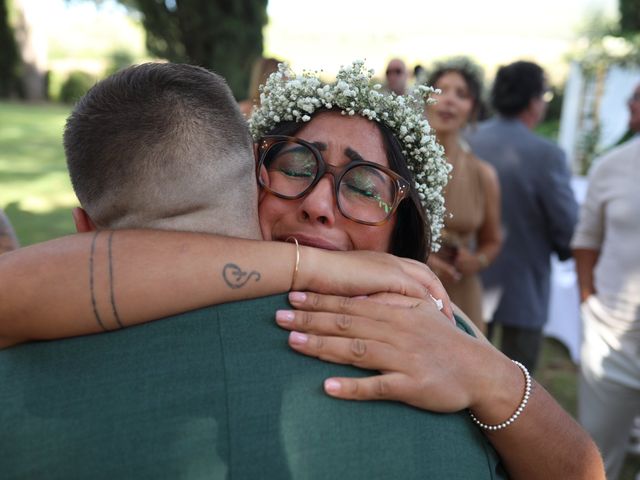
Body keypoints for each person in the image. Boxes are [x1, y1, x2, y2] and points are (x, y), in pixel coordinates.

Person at [0, 62, 603, 479]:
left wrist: (492, 378)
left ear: (404, 230)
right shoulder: (69, 295)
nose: (318, 202)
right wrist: (307, 264)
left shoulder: (436, 334)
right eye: (297, 163)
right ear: (251, 176)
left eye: (365, 184)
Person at [467, 60, 578, 373]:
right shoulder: (547, 154)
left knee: (467, 372)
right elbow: (566, 226)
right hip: (524, 287)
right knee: (518, 384)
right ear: (533, 100)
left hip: (469, 281)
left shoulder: (466, 141)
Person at [572, 80, 640, 480]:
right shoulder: (611, 166)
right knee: (597, 461)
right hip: (611, 336)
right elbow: (586, 241)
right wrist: (587, 303)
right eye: (632, 95)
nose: (631, 102)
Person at [424, 57, 502, 332]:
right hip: (406, 291)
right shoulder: (396, 161)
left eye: (462, 94)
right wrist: (421, 257)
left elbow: (492, 241)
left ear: (472, 109)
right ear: (425, 98)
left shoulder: (484, 175)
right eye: (440, 90)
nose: (449, 100)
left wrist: (476, 260)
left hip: (462, 295)